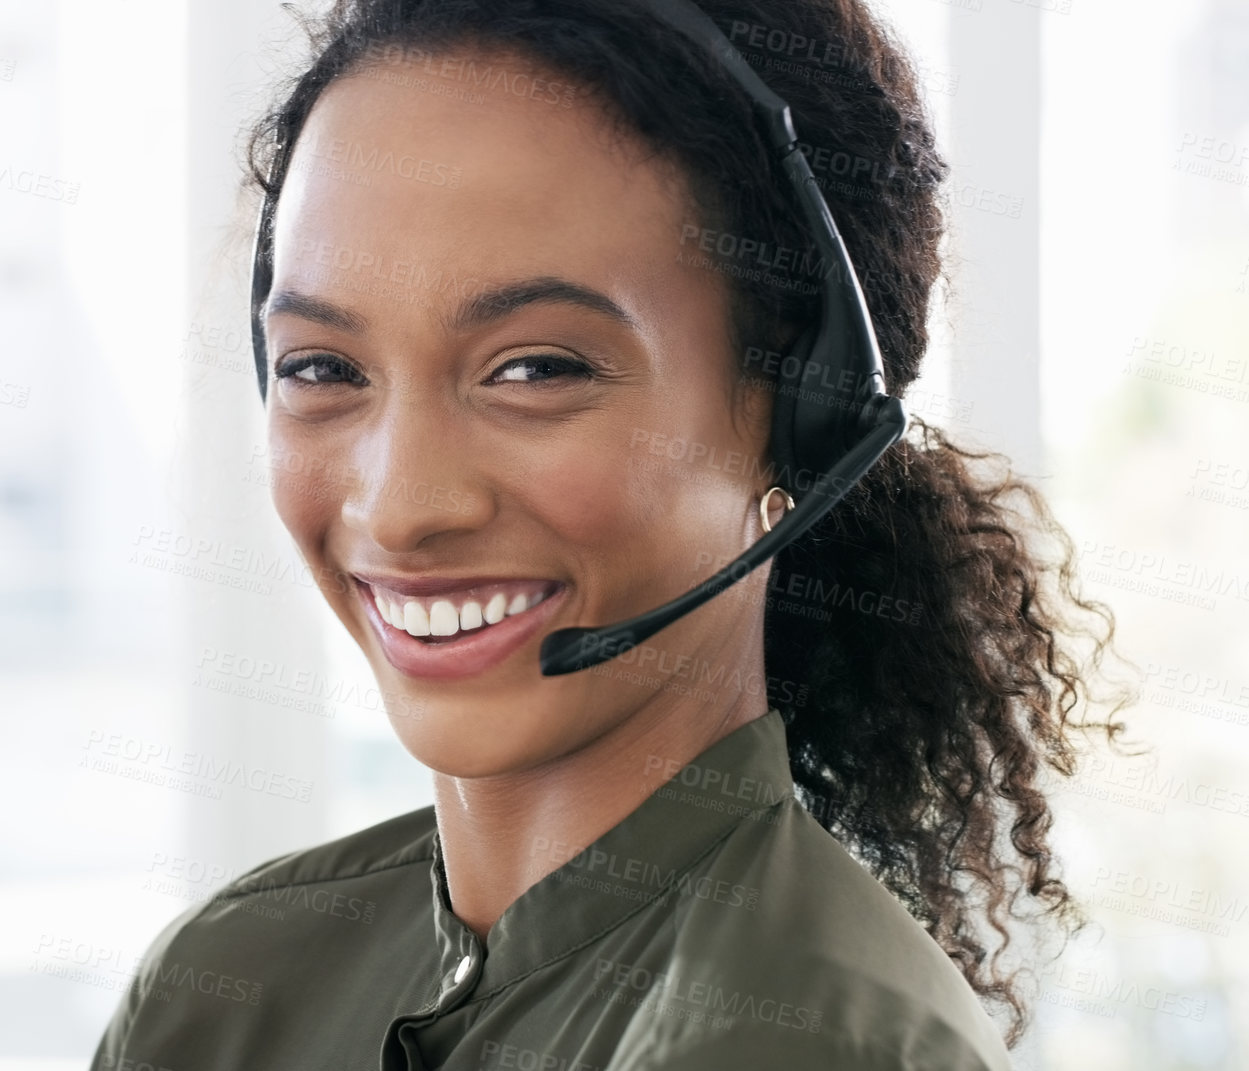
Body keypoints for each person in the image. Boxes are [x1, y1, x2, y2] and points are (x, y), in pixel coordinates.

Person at [92, 0, 1133, 1067]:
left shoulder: (812, 1040)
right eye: (323, 369)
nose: (397, 506)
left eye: (535, 369)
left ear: (800, 421)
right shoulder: (223, 987)